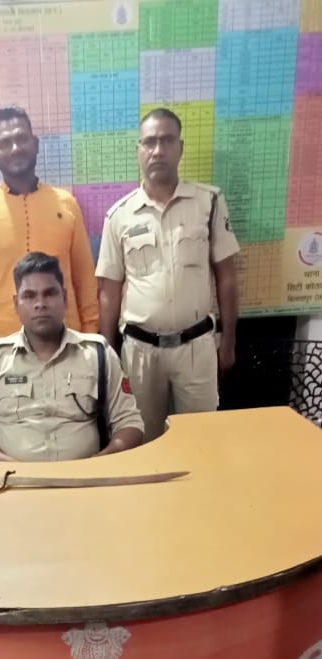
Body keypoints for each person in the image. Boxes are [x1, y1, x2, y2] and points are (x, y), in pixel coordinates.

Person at [96, 107, 239, 442]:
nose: (158, 150)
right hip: (140, 353)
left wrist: (229, 341)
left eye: (167, 140)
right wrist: (108, 355)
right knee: (142, 440)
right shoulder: (119, 216)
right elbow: (109, 292)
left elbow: (227, 277)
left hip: (197, 348)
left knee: (202, 441)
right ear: (138, 150)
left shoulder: (209, 202)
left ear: (180, 147)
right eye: (149, 142)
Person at [0, 252, 143, 462]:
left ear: (65, 298)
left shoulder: (98, 354)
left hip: (87, 478)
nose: (40, 304)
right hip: (15, 479)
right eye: (29, 296)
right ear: (16, 304)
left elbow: (130, 424)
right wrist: (13, 469)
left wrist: (98, 463)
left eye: (49, 293)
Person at [0, 105, 98, 347]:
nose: (15, 148)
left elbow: (84, 277)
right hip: (3, 348)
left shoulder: (67, 204)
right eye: (5, 143)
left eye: (21, 138)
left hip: (67, 344)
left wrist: (90, 335)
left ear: (35, 144)